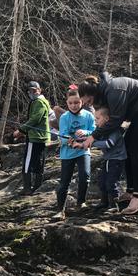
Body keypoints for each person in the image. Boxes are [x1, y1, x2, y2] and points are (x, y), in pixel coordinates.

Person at [78, 72, 138, 215]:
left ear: (93, 94)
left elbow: (116, 120)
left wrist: (93, 137)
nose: (90, 105)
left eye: (88, 102)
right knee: (127, 147)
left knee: (136, 151)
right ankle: (131, 191)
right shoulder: (106, 91)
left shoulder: (114, 90)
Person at [75, 106, 126, 212]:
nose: (95, 121)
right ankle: (104, 202)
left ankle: (114, 205)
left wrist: (91, 143)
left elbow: (108, 144)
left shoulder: (115, 130)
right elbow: (93, 136)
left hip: (116, 160)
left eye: (97, 118)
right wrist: (83, 140)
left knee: (111, 182)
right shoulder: (101, 130)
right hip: (108, 159)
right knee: (102, 181)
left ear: (107, 119)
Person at [54, 89, 95, 219]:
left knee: (85, 175)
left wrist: (86, 132)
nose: (74, 105)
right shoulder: (65, 117)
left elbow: (95, 131)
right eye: (71, 103)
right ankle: (60, 210)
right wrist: (70, 141)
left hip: (83, 151)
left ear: (81, 101)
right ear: (67, 103)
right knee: (64, 182)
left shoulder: (88, 116)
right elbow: (63, 135)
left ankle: (81, 202)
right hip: (67, 153)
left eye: (76, 102)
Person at [13, 81, 51, 195]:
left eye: (34, 90)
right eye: (30, 91)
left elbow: (35, 119)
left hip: (35, 138)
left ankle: (27, 188)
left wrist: (21, 130)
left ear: (40, 90)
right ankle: (37, 186)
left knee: (27, 163)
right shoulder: (43, 102)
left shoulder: (39, 102)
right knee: (39, 162)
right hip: (42, 137)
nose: (32, 92)